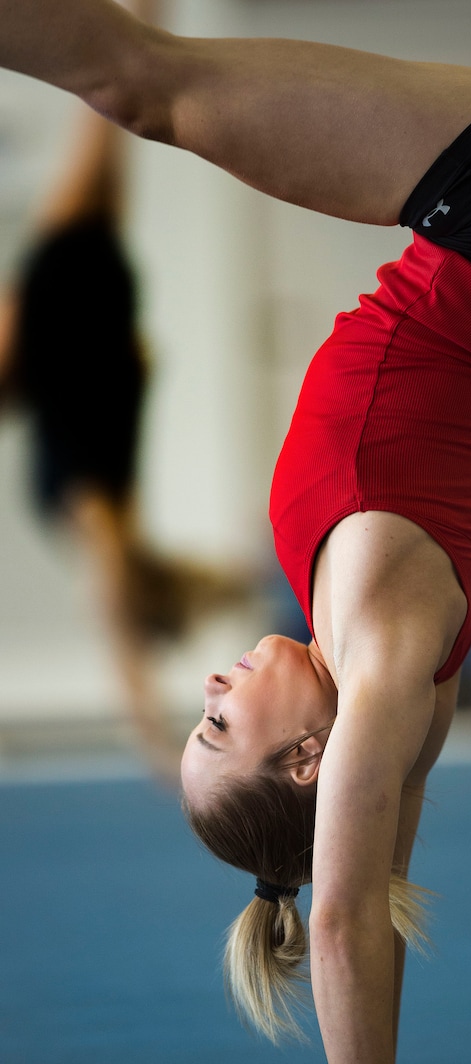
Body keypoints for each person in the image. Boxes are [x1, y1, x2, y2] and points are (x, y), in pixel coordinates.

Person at [1, 1, 471, 1064]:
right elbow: (343, 910)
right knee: (139, 83)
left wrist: (331, 859)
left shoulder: (395, 685)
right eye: (218, 723)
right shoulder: (379, 656)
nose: (212, 684)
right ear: (308, 762)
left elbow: (366, 870)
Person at [0, 48, 260, 784]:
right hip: (82, 315)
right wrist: (147, 723)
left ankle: (142, 20)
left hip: (79, 318)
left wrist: (146, 722)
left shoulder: (94, 506)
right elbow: (118, 614)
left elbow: (116, 618)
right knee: (116, 99)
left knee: (114, 100)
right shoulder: (102, 508)